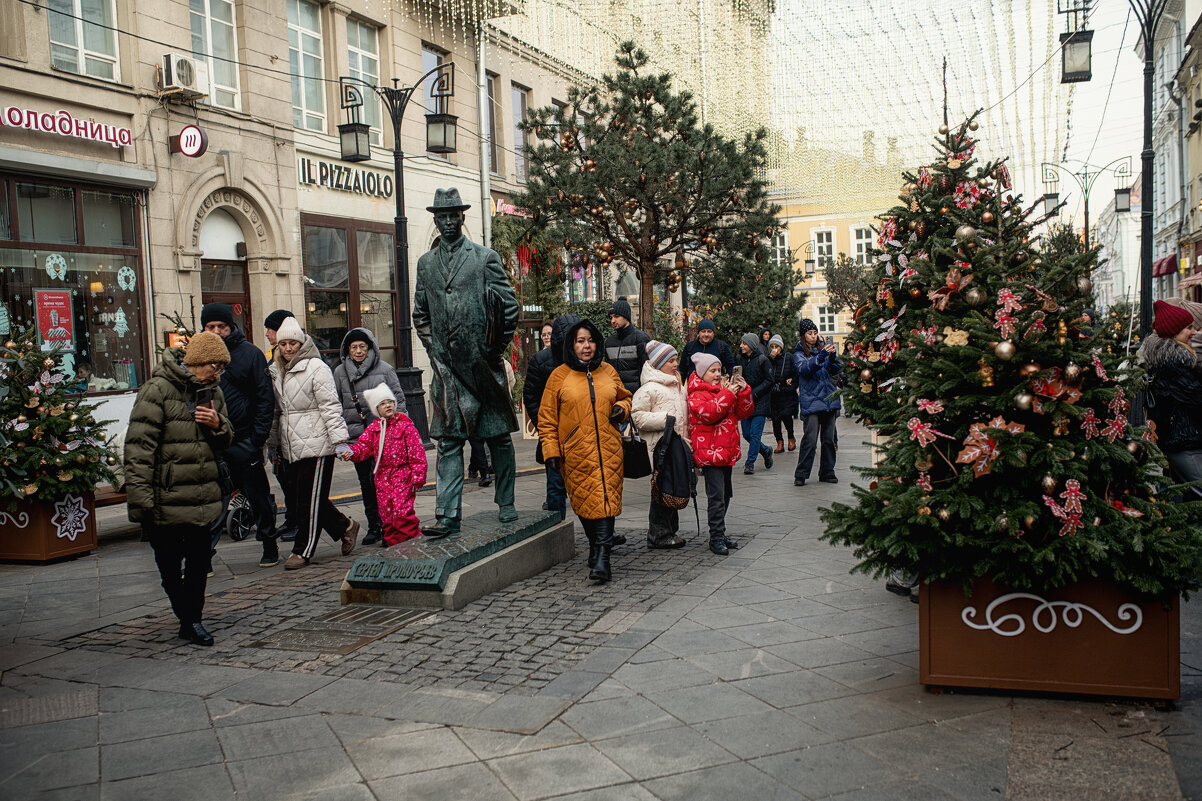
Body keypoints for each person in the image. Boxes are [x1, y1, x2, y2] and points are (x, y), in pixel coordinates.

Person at [413, 188, 520, 537]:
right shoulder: (426, 264)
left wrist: (494, 349)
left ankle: (506, 503)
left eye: (453, 215)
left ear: (462, 217)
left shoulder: (484, 257)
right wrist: (435, 352)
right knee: (448, 442)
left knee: (498, 438)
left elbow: (509, 307)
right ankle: (447, 515)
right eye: (441, 216)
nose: (447, 221)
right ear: (435, 219)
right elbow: (420, 315)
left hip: (482, 365)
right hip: (447, 370)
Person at [124, 331, 234, 646]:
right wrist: (141, 500)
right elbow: (139, 448)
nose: (219, 373)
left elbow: (227, 438)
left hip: (202, 495)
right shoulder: (156, 391)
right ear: (199, 361)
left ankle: (192, 621)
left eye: (222, 367)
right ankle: (186, 614)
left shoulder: (213, 393)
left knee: (199, 562)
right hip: (166, 497)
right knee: (169, 567)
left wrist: (217, 424)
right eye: (217, 366)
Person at [539, 319, 632, 583]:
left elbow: (625, 396)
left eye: (590, 340)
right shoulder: (559, 377)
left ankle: (602, 557)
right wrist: (551, 452)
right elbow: (546, 419)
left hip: (609, 449)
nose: (586, 346)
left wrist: (622, 409)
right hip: (576, 453)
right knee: (584, 503)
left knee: (607, 501)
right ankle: (596, 545)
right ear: (572, 345)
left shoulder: (608, 371)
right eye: (580, 341)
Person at [268, 317, 360, 569]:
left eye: (293, 343)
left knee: (309, 502)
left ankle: (303, 550)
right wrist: (274, 442)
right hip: (291, 445)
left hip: (318, 443)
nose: (288, 348)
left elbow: (330, 406)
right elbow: (277, 411)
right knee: (303, 499)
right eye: (283, 343)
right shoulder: (276, 370)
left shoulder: (316, 368)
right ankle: (346, 526)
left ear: (301, 343)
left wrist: (340, 441)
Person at [200, 302, 279, 568]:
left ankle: (269, 544)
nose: (216, 331)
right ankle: (204, 557)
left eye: (221, 326)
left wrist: (256, 439)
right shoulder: (197, 356)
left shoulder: (249, 354)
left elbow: (264, 398)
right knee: (212, 502)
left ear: (230, 326)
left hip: (244, 438)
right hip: (211, 443)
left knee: (257, 496)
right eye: (210, 327)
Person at [333, 327, 407, 546]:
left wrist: (401, 430)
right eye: (354, 347)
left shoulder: (384, 369)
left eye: (362, 347)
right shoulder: (339, 372)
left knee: (384, 483)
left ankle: (389, 526)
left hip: (383, 436)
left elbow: (399, 399)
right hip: (357, 437)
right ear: (348, 349)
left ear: (370, 347)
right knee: (366, 483)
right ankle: (373, 525)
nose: (358, 351)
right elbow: (336, 404)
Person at [342, 384, 427, 544]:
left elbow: (417, 453)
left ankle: (409, 540)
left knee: (402, 510)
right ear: (376, 409)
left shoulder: (405, 427)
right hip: (382, 478)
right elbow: (363, 447)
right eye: (382, 403)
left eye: (390, 402)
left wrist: (418, 475)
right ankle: (392, 541)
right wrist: (351, 453)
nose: (388, 405)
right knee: (386, 512)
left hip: (403, 476)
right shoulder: (374, 429)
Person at [688, 352, 753, 555]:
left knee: (725, 495)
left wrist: (743, 392)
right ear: (702, 373)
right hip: (710, 453)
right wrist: (729, 394)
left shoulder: (725, 390)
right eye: (712, 371)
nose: (717, 374)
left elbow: (744, 412)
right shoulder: (696, 393)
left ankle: (720, 532)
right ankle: (716, 537)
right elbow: (710, 413)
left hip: (727, 452)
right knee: (716, 497)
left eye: (719, 370)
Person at [1139, 300, 1202, 500]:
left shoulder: (1175, 357)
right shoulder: (1175, 361)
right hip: (1184, 439)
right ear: (1174, 332)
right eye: (1188, 328)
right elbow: (1196, 396)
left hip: (1180, 439)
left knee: (1187, 497)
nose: (1193, 332)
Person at [631, 339, 689, 549]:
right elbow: (637, 416)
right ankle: (658, 534)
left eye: (676, 360)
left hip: (677, 446)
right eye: (671, 361)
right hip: (659, 448)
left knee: (674, 486)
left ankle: (670, 530)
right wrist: (666, 420)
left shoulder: (678, 385)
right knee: (661, 489)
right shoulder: (650, 389)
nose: (675, 364)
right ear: (658, 364)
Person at [524, 314, 580, 521]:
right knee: (556, 484)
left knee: (588, 483)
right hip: (554, 434)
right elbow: (530, 395)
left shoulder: (585, 358)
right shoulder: (541, 360)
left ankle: (601, 531)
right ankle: (557, 528)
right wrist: (543, 426)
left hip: (582, 432)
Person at [793, 318, 842, 486]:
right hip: (811, 403)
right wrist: (821, 356)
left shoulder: (823, 349)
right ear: (803, 336)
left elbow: (835, 369)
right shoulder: (799, 354)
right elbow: (805, 369)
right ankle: (801, 474)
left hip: (829, 401)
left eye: (815, 333)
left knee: (828, 439)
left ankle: (827, 472)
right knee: (810, 439)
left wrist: (833, 356)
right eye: (809, 333)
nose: (813, 336)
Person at [263, 309, 298, 542]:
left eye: (270, 329)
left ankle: (300, 521)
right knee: (284, 477)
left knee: (296, 481)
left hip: (293, 430)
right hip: (277, 428)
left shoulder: (295, 356)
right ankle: (293, 519)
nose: (267, 334)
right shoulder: (272, 356)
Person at [737, 333, 774, 474]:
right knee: (746, 434)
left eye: (744, 344)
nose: (741, 346)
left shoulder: (763, 360)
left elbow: (769, 380)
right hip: (745, 402)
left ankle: (750, 462)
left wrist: (754, 392)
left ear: (751, 345)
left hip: (760, 402)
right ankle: (765, 451)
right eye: (741, 343)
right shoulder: (740, 358)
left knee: (754, 434)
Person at [604, 296, 651, 396]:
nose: (612, 320)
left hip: (638, 396)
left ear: (626, 316)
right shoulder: (609, 342)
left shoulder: (641, 339)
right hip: (615, 395)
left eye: (616, 316)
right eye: (611, 317)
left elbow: (648, 370)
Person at [767, 334, 797, 453]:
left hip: (786, 393)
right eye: (772, 346)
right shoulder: (768, 359)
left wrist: (791, 382)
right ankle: (779, 442)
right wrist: (770, 358)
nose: (774, 349)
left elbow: (795, 374)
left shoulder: (788, 357)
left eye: (776, 346)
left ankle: (791, 438)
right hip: (774, 394)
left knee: (787, 417)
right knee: (775, 420)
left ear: (781, 347)